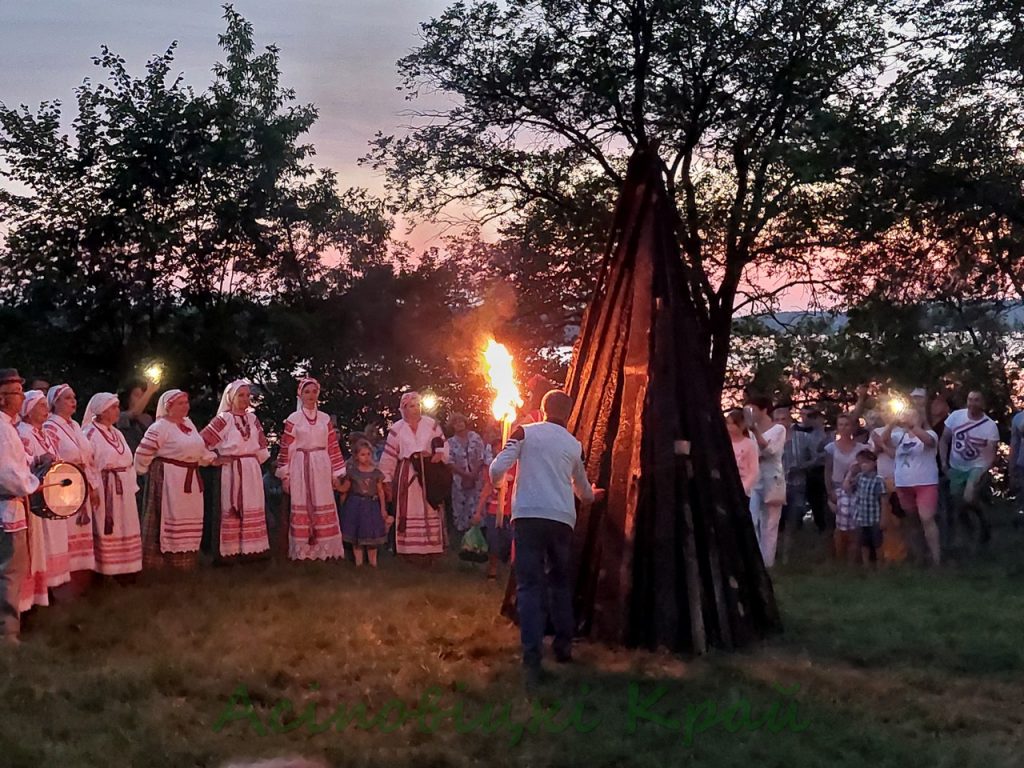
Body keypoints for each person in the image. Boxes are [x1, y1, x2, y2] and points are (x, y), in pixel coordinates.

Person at [489, 390, 602, 689]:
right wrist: (593, 495)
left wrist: (499, 484)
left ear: (541, 408)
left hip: (528, 516)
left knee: (529, 585)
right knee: (560, 584)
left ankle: (532, 654)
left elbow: (497, 467)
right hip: (562, 519)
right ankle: (563, 648)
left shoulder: (525, 432)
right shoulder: (574, 444)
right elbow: (583, 490)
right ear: (569, 412)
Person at [134, 390, 216, 570]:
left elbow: (198, 449)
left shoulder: (188, 424)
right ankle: (160, 563)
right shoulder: (159, 427)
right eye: (180, 403)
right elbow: (142, 454)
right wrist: (145, 472)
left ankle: (186, 561)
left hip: (190, 478)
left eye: (187, 402)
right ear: (168, 407)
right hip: (169, 478)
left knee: (188, 516)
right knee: (166, 516)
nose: (186, 406)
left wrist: (210, 458)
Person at [275, 378, 347, 561]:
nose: (311, 395)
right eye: (307, 392)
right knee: (302, 502)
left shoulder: (324, 418)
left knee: (323, 500)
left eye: (314, 391)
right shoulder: (294, 419)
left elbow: (332, 446)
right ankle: (303, 551)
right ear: (300, 394)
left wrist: (336, 473)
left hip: (321, 464)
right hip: (301, 464)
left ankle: (325, 550)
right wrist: (285, 475)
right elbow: (286, 448)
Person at [201, 381, 271, 561]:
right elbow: (202, 442)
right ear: (231, 397)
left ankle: (252, 551)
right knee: (232, 507)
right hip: (232, 470)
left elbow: (262, 445)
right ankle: (230, 553)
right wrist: (214, 459)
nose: (245, 399)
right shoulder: (224, 419)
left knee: (252, 506)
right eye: (241, 395)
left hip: (251, 470)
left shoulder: (253, 419)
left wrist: (258, 461)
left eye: (248, 396)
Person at [379, 392, 451, 559]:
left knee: (430, 505)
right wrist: (386, 479)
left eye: (418, 405)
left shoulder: (431, 424)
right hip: (408, 471)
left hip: (429, 470)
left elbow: (442, 444)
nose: (416, 409)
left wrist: (439, 454)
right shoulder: (397, 428)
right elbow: (389, 456)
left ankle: (431, 548)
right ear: (404, 408)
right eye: (411, 406)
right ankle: (408, 551)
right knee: (410, 507)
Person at [43, 384, 100, 591]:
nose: (73, 401)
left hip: (82, 482)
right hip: (64, 485)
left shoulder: (76, 426)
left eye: (74, 397)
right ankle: (63, 585)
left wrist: (93, 486)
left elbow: (88, 458)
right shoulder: (50, 427)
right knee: (66, 533)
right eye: (67, 398)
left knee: (82, 530)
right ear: (54, 402)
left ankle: (82, 584)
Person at [82, 393, 143, 579]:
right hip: (105, 486)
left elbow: (128, 460)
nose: (118, 411)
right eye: (113, 407)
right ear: (101, 411)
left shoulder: (116, 433)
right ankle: (106, 571)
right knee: (108, 526)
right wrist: (93, 488)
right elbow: (87, 463)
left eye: (117, 407)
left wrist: (131, 486)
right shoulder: (89, 433)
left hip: (123, 487)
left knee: (127, 525)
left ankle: (128, 569)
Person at [17, 390, 70, 597]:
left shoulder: (43, 433)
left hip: (51, 497)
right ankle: (38, 592)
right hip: (36, 499)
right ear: (28, 411)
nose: (45, 408)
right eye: (40, 405)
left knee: (52, 543)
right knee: (39, 546)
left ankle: (52, 588)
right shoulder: (23, 433)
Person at [0, 369, 39, 643]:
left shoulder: (7, 426)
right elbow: (7, 474)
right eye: (16, 392)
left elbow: (19, 460)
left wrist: (35, 460)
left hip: (9, 508)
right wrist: (33, 485)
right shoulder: (1, 428)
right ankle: (7, 634)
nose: (22, 396)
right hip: (6, 511)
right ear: (2, 398)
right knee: (10, 572)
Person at [940, 391, 999, 548]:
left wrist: (981, 471)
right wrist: (944, 463)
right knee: (958, 505)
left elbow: (990, 454)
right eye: (970, 399)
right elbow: (944, 440)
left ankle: (981, 518)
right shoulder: (956, 417)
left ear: (983, 403)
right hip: (956, 466)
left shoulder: (989, 426)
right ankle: (974, 531)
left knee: (968, 496)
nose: (972, 403)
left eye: (976, 400)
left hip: (976, 466)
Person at [884, 405, 941, 565]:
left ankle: (936, 558)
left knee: (927, 518)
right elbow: (884, 440)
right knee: (912, 520)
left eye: (912, 415)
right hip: (904, 484)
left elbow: (928, 442)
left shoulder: (930, 434)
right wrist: (892, 422)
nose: (908, 417)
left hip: (925, 483)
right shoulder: (900, 436)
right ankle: (919, 556)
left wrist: (912, 426)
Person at [746, 396, 786, 568]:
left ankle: (767, 564)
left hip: (772, 478)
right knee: (752, 518)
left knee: (769, 524)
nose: (750, 414)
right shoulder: (747, 432)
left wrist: (755, 432)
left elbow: (769, 451)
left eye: (753, 410)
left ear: (763, 410)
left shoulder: (778, 429)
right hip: (755, 477)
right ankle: (753, 562)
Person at [340, 440, 391, 567]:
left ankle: (373, 563)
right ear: (356, 456)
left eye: (368, 454)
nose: (366, 457)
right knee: (357, 534)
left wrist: (383, 509)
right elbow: (345, 488)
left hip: (371, 506)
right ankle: (359, 564)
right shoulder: (352, 472)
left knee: (371, 534)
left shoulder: (376, 473)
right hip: (355, 505)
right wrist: (336, 485)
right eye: (363, 454)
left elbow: (380, 491)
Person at [774, 406, 813, 564]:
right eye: (777, 420)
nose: (780, 423)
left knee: (792, 520)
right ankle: (772, 556)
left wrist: (801, 466)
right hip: (775, 486)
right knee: (774, 523)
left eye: (783, 419)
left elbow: (816, 458)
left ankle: (787, 558)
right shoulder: (769, 438)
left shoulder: (803, 437)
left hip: (796, 485)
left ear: (790, 420)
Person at [867, 408, 906, 564]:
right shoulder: (876, 431)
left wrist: (881, 443)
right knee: (884, 519)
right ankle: (886, 554)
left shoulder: (903, 432)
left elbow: (894, 454)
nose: (888, 414)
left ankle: (901, 554)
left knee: (898, 518)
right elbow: (873, 454)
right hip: (881, 479)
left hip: (899, 479)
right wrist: (879, 445)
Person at [446, 414, 485, 533]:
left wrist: (474, 473)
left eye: (461, 421)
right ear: (452, 426)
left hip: (477, 477)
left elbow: (481, 456)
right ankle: (462, 531)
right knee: (460, 503)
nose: (459, 424)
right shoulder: (450, 443)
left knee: (477, 501)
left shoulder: (475, 437)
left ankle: (479, 529)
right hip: (459, 479)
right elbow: (449, 462)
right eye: (455, 423)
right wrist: (465, 475)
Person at [796, 406, 830, 532]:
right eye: (804, 415)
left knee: (825, 499)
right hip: (810, 472)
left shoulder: (828, 433)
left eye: (811, 416)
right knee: (813, 500)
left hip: (824, 470)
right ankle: (819, 526)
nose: (808, 419)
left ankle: (827, 527)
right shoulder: (801, 434)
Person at [850, 451, 886, 568]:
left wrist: (883, 518)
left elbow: (883, 500)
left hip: (874, 517)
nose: (863, 465)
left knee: (877, 543)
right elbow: (847, 487)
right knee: (863, 542)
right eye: (861, 463)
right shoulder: (859, 477)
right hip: (861, 517)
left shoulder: (879, 480)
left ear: (874, 463)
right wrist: (851, 472)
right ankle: (866, 565)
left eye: (866, 462)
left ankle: (880, 564)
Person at [116, 379, 160, 454]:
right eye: (136, 395)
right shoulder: (120, 416)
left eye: (143, 396)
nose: (141, 399)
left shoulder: (147, 418)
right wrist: (149, 391)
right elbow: (134, 413)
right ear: (128, 398)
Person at [725, 409, 759, 498]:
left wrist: (743, 488)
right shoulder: (722, 443)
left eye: (733, 424)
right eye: (728, 423)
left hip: (743, 488)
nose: (730, 427)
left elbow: (754, 471)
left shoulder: (750, 444)